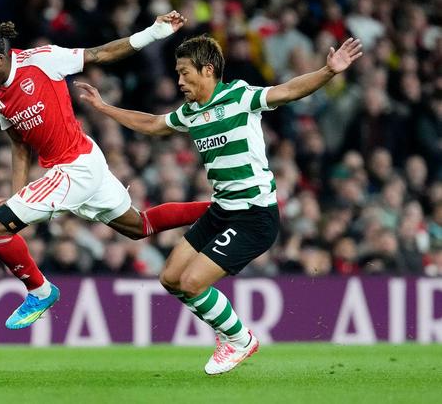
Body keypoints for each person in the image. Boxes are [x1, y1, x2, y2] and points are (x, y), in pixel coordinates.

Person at [76, 35, 363, 374]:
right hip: (221, 210)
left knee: (192, 283)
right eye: (177, 73)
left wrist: (328, 71)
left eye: (185, 73)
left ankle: (239, 339)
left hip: (254, 215)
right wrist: (104, 108)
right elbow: (153, 124)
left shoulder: (240, 97)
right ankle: (228, 334)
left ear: (208, 70)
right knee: (170, 277)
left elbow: (287, 90)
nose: (179, 81)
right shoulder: (191, 112)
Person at [0, 11, 211, 330]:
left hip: (75, 166)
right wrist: (16, 196)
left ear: (0, 59)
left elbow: (100, 53)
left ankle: (40, 292)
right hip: (79, 164)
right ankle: (222, 208)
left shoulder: (42, 61)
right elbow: (19, 145)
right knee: (139, 226)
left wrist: (154, 32)